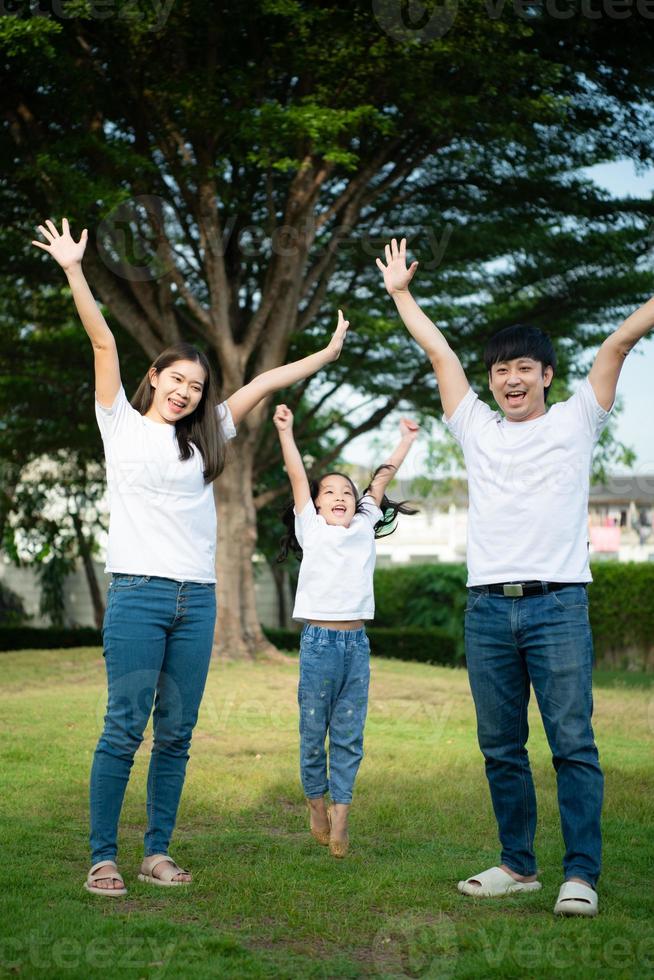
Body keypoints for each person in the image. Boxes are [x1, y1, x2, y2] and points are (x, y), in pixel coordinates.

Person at [32, 218, 350, 896]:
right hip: (141, 595)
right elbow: (101, 336)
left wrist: (324, 355)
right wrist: (73, 269)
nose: (184, 392)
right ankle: (101, 856)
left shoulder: (204, 437)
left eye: (195, 387)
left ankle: (156, 852)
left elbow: (262, 381)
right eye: (175, 380)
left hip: (196, 600)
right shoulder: (118, 421)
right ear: (154, 379)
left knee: (176, 733)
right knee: (124, 728)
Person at [377, 236, 654, 917]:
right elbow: (440, 353)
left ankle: (580, 875)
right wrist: (402, 294)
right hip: (487, 610)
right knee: (500, 745)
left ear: (547, 375)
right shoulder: (475, 426)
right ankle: (519, 865)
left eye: (524, 367)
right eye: (501, 369)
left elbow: (617, 344)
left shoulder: (577, 420)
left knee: (572, 744)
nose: (510, 379)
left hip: (557, 604)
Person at [273, 403, 419, 857]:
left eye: (346, 492)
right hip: (318, 644)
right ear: (316, 502)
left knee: (350, 736)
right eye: (329, 491)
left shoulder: (363, 524)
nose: (339, 496)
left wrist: (407, 440)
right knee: (313, 733)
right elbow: (298, 476)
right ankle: (316, 803)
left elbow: (380, 480)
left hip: (355, 645)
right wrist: (286, 432)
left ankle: (341, 817)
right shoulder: (311, 528)